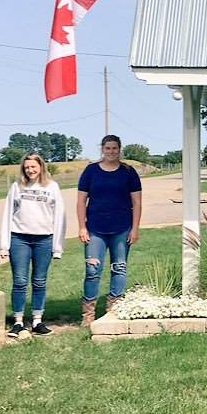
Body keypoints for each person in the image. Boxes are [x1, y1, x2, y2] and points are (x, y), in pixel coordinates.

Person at [0, 152, 67, 337]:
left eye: (33, 167)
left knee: (39, 281)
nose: (30, 170)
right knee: (20, 281)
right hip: (19, 238)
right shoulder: (17, 187)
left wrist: (57, 247)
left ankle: (37, 320)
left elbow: (60, 216)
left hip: (43, 239)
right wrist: (4, 245)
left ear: (41, 167)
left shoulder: (52, 187)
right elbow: (7, 215)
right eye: (27, 167)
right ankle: (18, 322)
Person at [77, 135, 142, 324]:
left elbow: (137, 202)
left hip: (121, 228)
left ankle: (113, 310)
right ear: (102, 150)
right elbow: (81, 201)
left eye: (114, 148)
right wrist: (82, 226)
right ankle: (88, 314)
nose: (111, 151)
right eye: (107, 148)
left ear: (119, 149)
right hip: (95, 228)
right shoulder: (91, 171)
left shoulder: (129, 172)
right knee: (92, 269)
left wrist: (134, 229)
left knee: (119, 268)